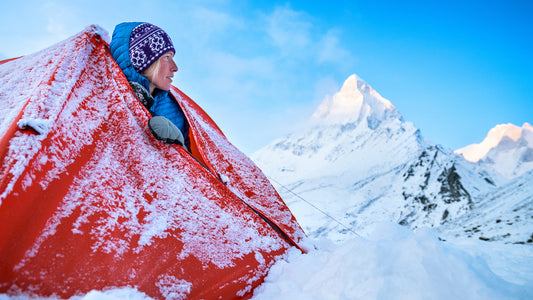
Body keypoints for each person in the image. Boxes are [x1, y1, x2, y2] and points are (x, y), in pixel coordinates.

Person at [109, 22, 189, 148]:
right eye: (167, 57)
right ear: (142, 60)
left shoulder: (180, 111)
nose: (175, 68)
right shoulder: (107, 95)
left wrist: (180, 147)